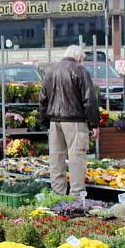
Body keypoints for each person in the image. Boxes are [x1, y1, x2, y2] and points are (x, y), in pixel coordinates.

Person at [38, 45, 100, 197]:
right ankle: (77, 195)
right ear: (79, 57)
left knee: (56, 157)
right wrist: (94, 124)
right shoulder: (80, 71)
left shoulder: (50, 70)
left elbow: (42, 99)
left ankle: (57, 194)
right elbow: (89, 100)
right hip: (75, 121)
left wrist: (46, 122)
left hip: (54, 121)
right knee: (76, 157)